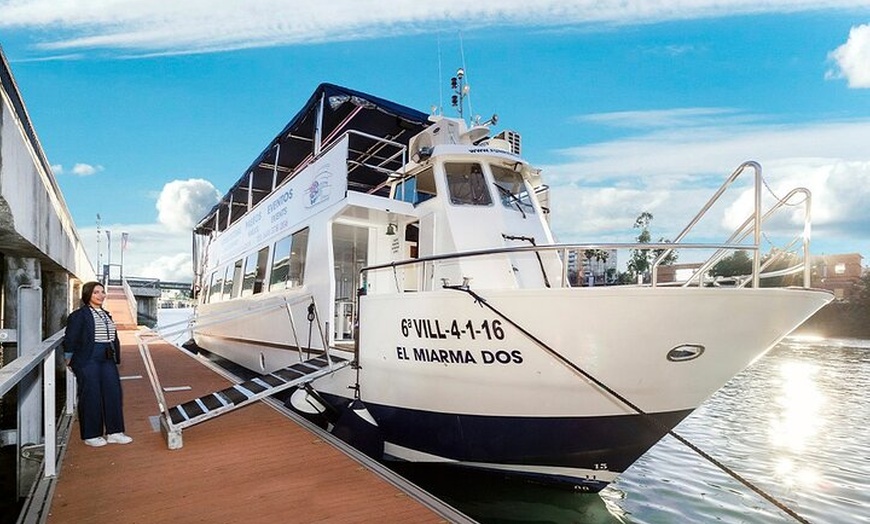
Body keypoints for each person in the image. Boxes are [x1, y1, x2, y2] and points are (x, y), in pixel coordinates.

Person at [64, 281, 133, 447]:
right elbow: (71, 338)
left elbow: (112, 337)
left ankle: (114, 432)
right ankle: (91, 434)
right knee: (91, 394)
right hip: (88, 358)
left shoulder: (106, 314)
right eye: (96, 292)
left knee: (114, 392)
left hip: (107, 358)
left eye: (102, 292)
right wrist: (69, 358)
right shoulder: (79, 315)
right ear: (88, 294)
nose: (101, 295)